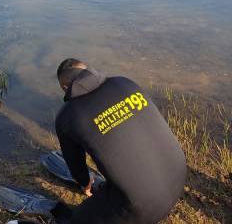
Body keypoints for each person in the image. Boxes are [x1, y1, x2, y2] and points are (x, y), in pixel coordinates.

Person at [52, 58, 186, 224]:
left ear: (65, 87)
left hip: (143, 208)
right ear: (88, 71)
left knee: (77, 219)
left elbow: (76, 163)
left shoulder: (67, 116)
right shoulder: (125, 83)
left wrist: (85, 184)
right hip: (179, 177)